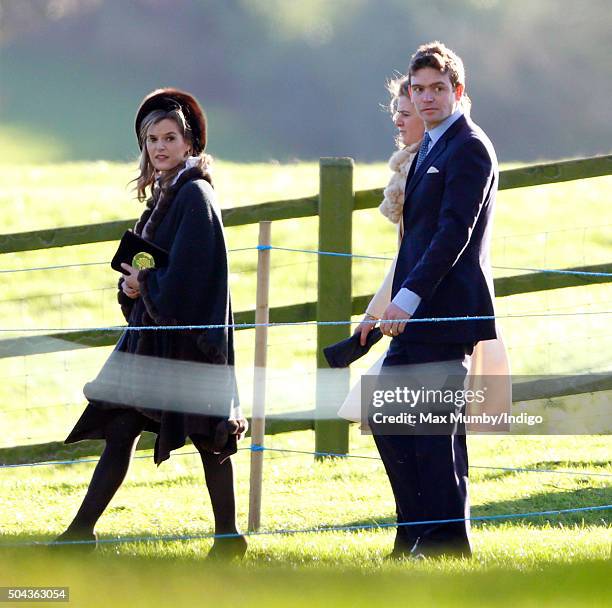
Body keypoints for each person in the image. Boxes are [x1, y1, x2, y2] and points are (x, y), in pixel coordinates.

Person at [54, 88, 248, 560]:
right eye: (151, 140)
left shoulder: (195, 195)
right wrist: (134, 286)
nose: (159, 147)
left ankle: (229, 538)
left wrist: (150, 284)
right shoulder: (167, 194)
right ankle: (81, 532)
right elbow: (156, 267)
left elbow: (193, 274)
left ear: (189, 144)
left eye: (169, 138)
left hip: (189, 342)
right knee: (122, 426)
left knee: (210, 436)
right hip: (154, 340)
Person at [355, 42, 504, 559]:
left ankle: (441, 543)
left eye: (437, 88)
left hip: (446, 314)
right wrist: (383, 308)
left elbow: (452, 234)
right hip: (416, 315)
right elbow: (414, 241)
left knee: (434, 433)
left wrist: (407, 300)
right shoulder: (433, 147)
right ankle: (418, 531)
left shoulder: (470, 146)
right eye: (418, 89)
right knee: (389, 413)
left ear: (456, 90)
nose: (425, 98)